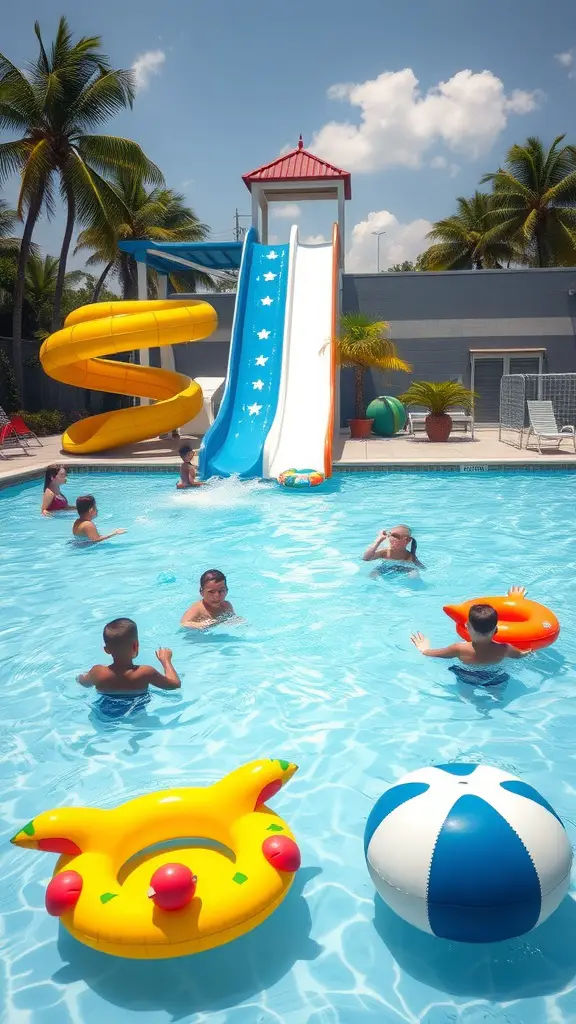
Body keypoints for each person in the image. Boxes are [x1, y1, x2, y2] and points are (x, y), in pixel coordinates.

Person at [411, 586, 530, 686]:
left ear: (467, 628)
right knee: (497, 695)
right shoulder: (505, 648)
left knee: (466, 698)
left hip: (466, 676)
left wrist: (423, 648)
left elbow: (433, 654)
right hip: (495, 677)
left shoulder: (459, 648)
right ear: (496, 630)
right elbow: (521, 655)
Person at [78, 618, 181, 718]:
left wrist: (81, 676)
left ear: (106, 650)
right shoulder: (145, 673)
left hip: (104, 714)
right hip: (135, 714)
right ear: (135, 646)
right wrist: (166, 660)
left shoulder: (97, 672)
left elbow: (83, 682)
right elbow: (175, 684)